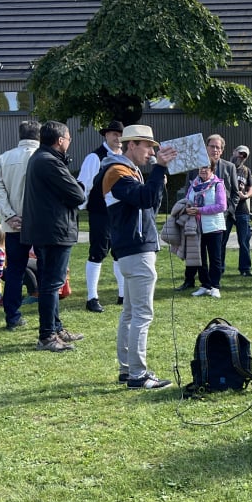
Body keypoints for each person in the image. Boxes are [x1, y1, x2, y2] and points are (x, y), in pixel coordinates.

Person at [102, 124, 178, 389]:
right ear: (131, 145)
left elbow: (149, 206)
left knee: (131, 312)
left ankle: (128, 370)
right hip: (135, 249)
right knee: (141, 314)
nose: (151, 151)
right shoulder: (117, 172)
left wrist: (158, 179)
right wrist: (159, 170)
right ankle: (137, 374)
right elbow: (144, 201)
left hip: (133, 248)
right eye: (147, 146)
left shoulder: (127, 172)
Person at [21, 121, 86, 352]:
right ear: (60, 140)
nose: (69, 142)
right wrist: (78, 185)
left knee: (51, 282)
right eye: (68, 138)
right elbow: (78, 195)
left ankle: (56, 328)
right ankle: (47, 335)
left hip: (47, 230)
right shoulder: (49, 162)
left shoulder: (40, 159)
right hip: (54, 231)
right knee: (51, 284)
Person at [0, 121, 41, 331]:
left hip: (13, 225)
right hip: (39, 222)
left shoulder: (5, 157)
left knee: (14, 271)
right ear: (39, 135)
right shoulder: (43, 156)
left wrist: (9, 215)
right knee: (47, 269)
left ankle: (12, 316)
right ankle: (49, 317)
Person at [176, 134, 237, 289]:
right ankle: (190, 280)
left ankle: (214, 282)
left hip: (219, 218)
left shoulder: (229, 167)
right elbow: (187, 192)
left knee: (217, 252)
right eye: (212, 146)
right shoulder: (194, 168)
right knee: (195, 251)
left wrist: (229, 211)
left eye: (218, 147)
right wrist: (187, 208)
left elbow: (234, 192)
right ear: (206, 147)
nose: (215, 149)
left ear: (222, 150)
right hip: (195, 220)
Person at [77, 120, 124, 313]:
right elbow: (84, 184)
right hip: (100, 213)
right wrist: (79, 207)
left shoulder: (126, 158)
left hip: (121, 213)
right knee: (98, 252)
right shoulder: (94, 158)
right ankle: (92, 298)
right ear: (106, 135)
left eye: (120, 134)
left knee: (120, 253)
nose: (118, 138)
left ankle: (123, 294)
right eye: (114, 134)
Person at [185, 161, 227, 298]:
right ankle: (205, 285)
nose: (202, 170)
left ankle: (215, 286)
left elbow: (221, 206)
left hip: (214, 226)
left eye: (206, 168)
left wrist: (199, 210)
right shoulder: (194, 184)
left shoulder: (218, 184)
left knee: (215, 258)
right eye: (200, 167)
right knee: (200, 258)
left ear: (212, 169)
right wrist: (187, 208)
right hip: (197, 227)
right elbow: (187, 199)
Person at [225, 144, 252, 277]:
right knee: (222, 240)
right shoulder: (223, 166)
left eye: (244, 155)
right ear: (234, 151)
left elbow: (251, 189)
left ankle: (245, 268)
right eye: (240, 153)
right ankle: (219, 268)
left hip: (242, 209)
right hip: (226, 208)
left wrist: (246, 195)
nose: (241, 156)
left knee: (244, 240)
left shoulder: (246, 170)